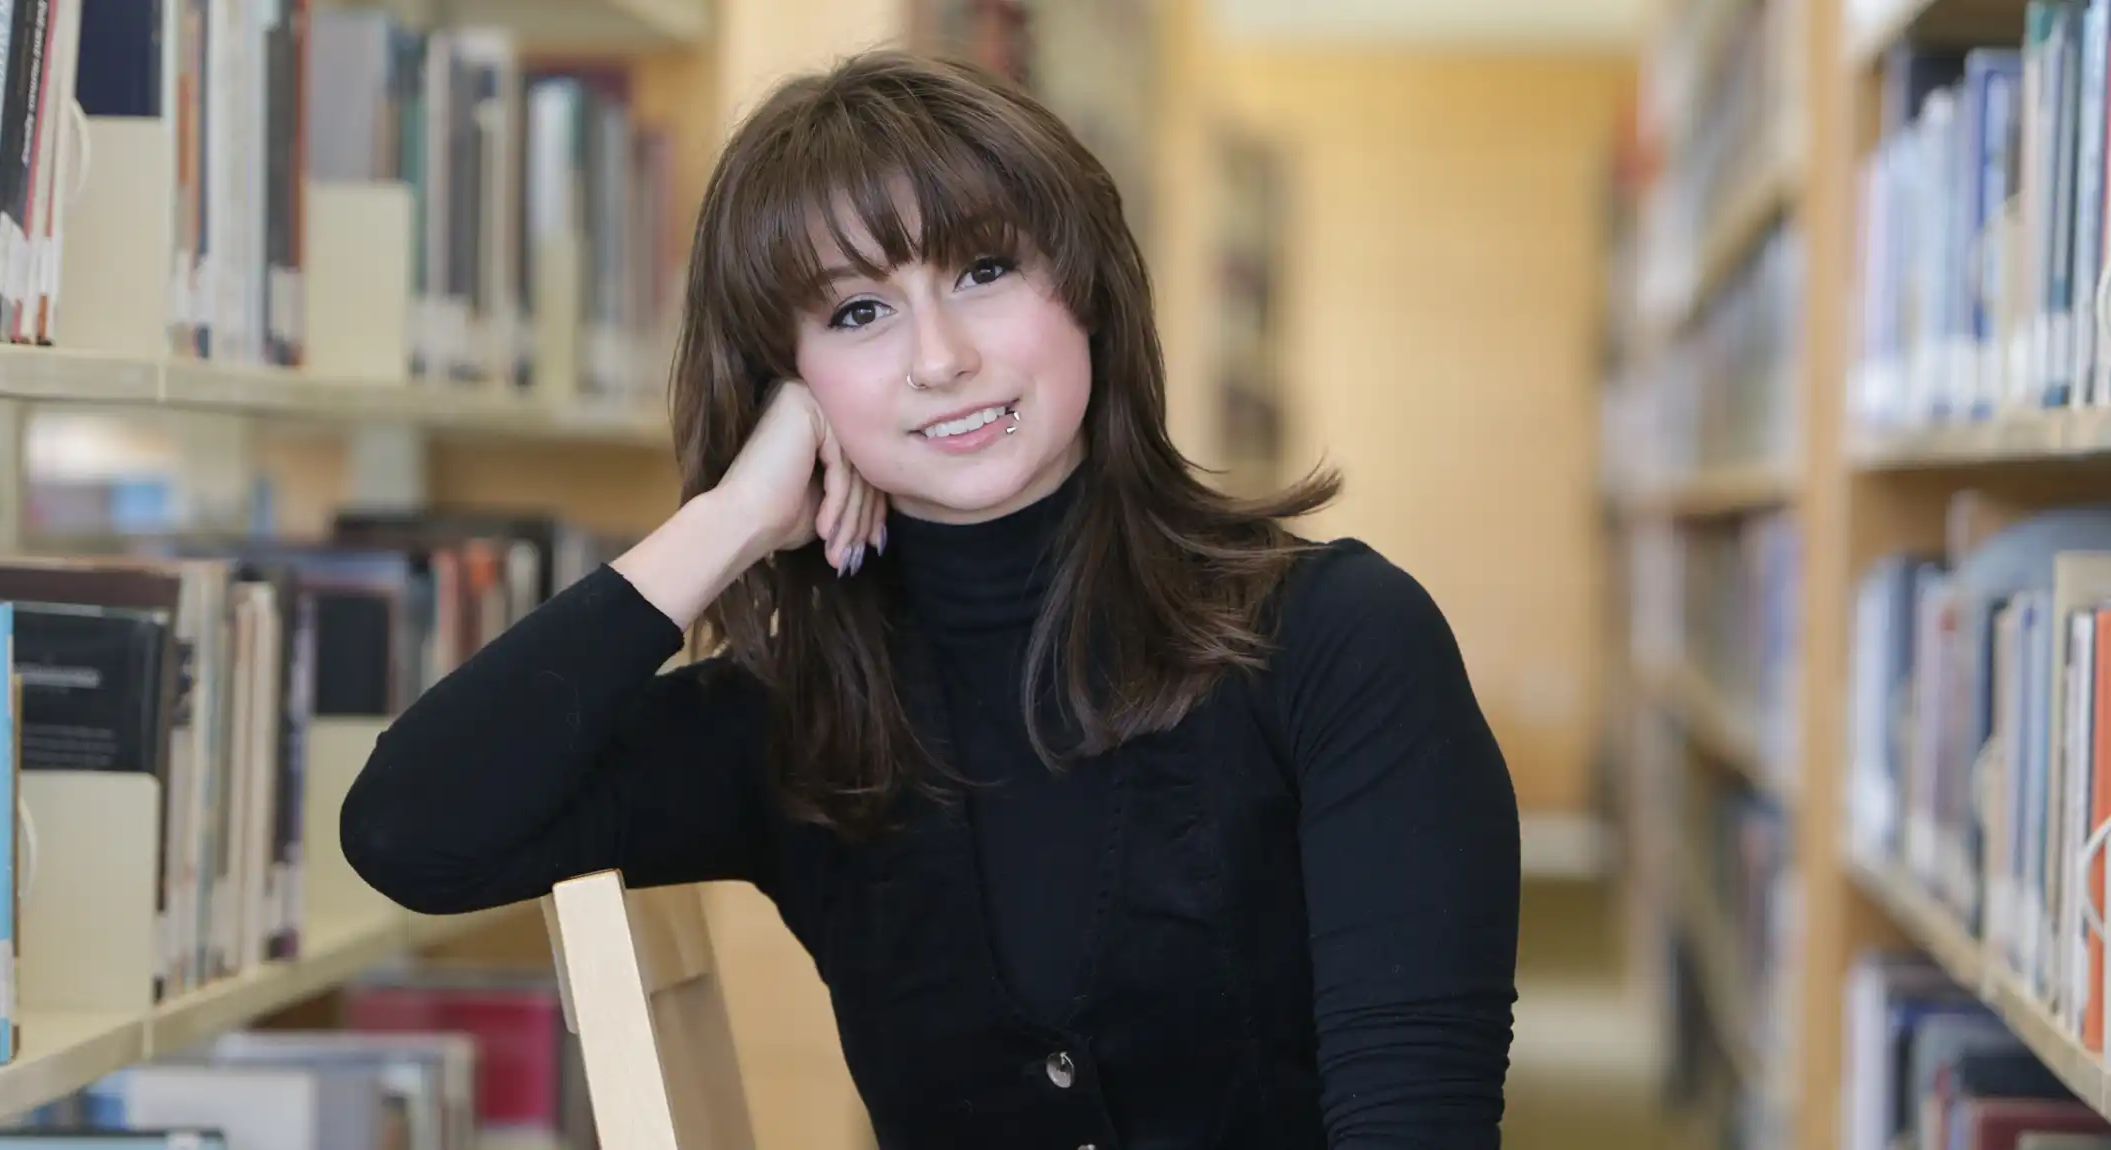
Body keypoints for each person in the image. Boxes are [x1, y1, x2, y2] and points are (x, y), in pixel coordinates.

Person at [340, 49, 1521, 1149]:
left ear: (1089, 292)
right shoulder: (791, 721)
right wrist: (726, 521)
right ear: (784, 389)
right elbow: (411, 832)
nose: (939, 356)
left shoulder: (1338, 639)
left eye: (985, 269)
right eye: (856, 313)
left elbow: (1415, 1114)